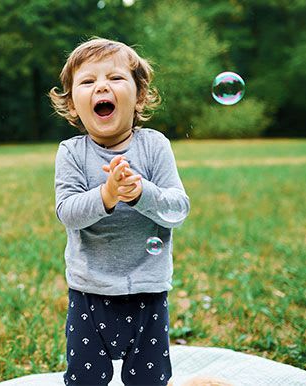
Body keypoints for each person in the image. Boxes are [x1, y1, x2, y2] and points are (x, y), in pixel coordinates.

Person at [49, 37, 190, 385]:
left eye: (115, 78)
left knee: (149, 378)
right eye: (87, 81)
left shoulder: (155, 146)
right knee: (85, 378)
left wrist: (141, 192)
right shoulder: (71, 153)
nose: (101, 86)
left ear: (139, 95)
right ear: (72, 105)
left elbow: (178, 209)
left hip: (148, 288)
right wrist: (106, 194)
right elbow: (67, 212)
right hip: (88, 290)